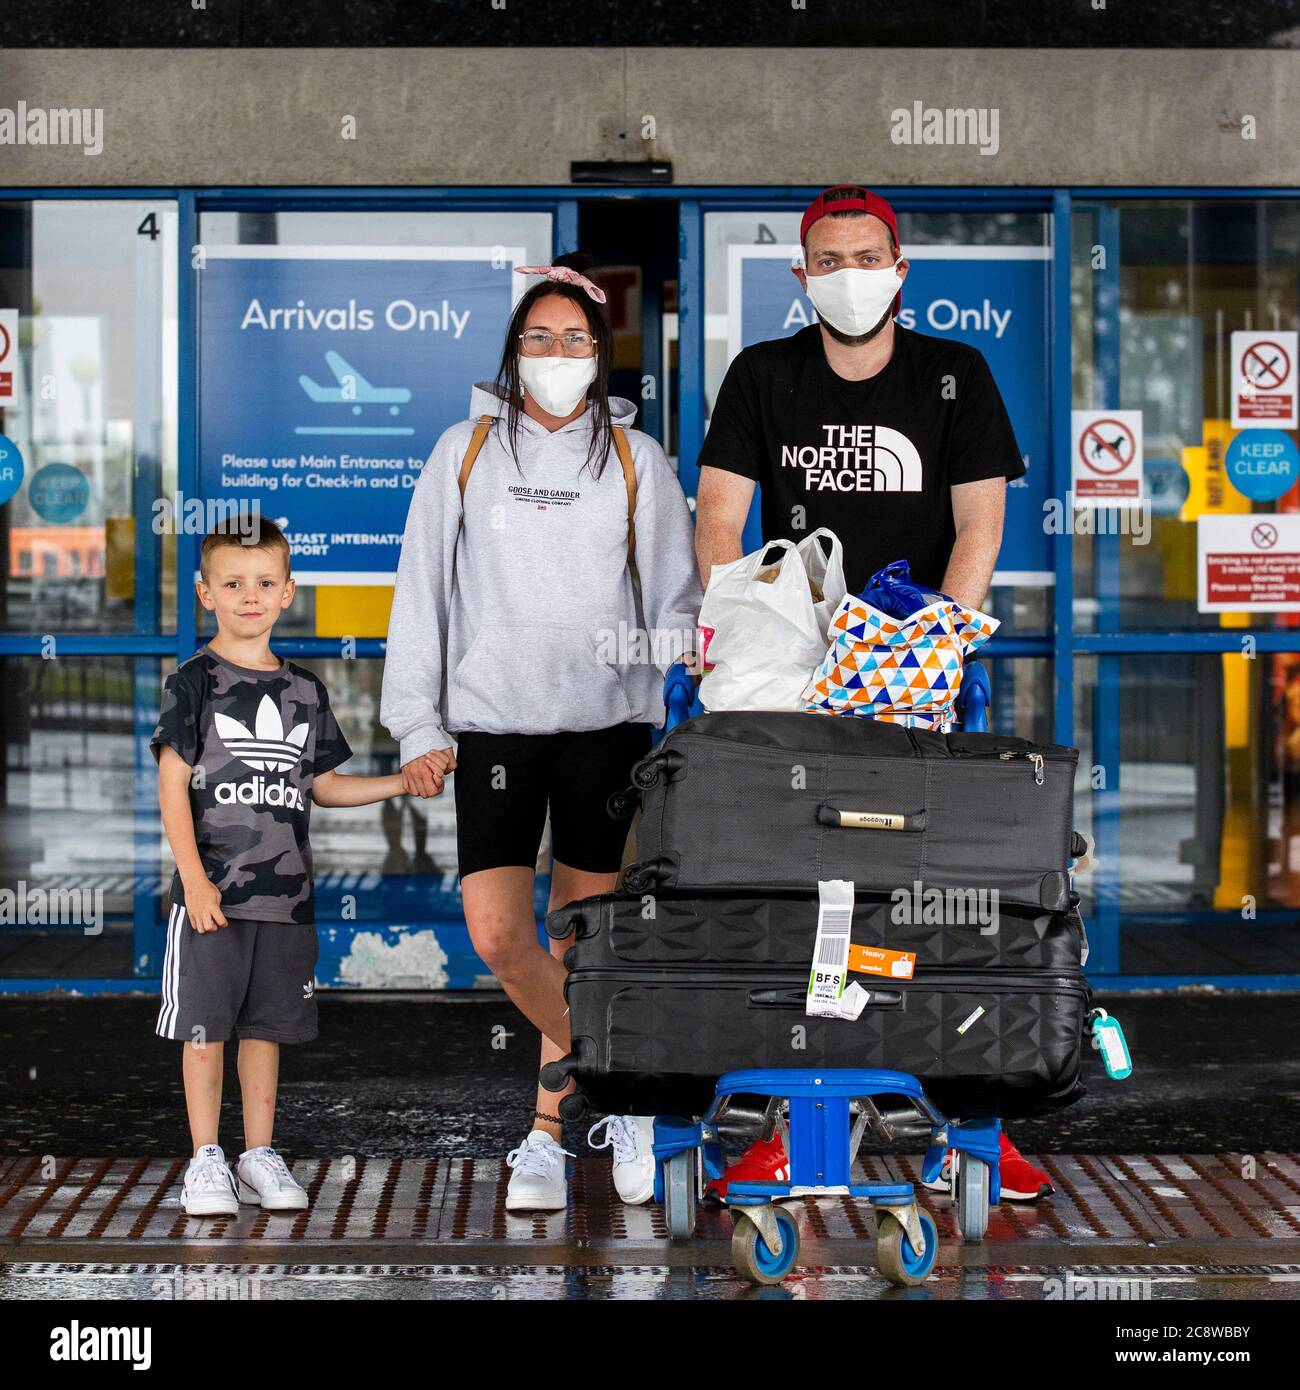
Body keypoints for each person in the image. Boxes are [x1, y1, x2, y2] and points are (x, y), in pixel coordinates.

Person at [692, 185, 1053, 1204]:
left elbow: (979, 527)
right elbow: (720, 513)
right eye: (826, 259)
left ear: (900, 269)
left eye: (865, 255)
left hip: (915, 680)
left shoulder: (956, 374)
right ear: (800, 276)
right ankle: (789, 1131)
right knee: (799, 902)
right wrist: (743, 630)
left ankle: (968, 1133)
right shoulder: (765, 375)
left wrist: (931, 643)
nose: (847, 274)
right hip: (794, 684)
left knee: (947, 905)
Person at [381, 254, 702, 1212]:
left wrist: (683, 665)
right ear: (513, 351)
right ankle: (625, 1085)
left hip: (606, 730)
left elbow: (679, 603)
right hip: (493, 730)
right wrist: (413, 724)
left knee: (579, 946)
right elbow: (420, 596)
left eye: (576, 339)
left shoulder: (638, 462)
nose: (557, 353)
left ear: (600, 355)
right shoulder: (465, 452)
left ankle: (546, 1132)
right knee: (494, 933)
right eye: (539, 337)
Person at [153, 518, 420, 1217]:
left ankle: (257, 1154)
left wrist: (401, 783)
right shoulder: (193, 684)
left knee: (266, 1030)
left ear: (287, 592)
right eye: (233, 584)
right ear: (204, 592)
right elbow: (171, 787)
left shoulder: (304, 690)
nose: (250, 596)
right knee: (206, 1030)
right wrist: (193, 879)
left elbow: (324, 787)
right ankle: (206, 1156)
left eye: (264, 583)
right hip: (211, 897)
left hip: (287, 901)